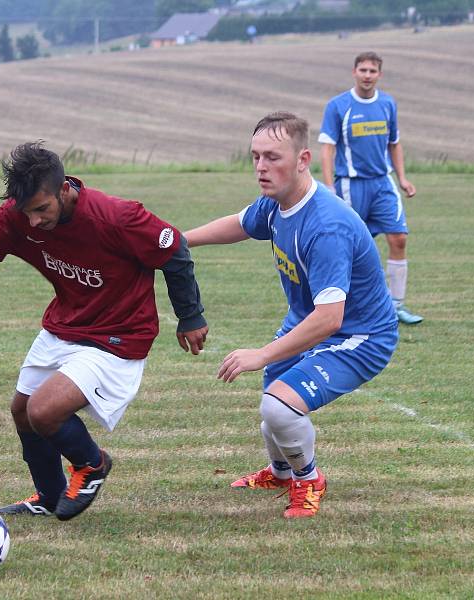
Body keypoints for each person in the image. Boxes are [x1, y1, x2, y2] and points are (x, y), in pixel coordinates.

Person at [0, 142, 209, 521]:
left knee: (43, 411)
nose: (33, 221)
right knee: (23, 412)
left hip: (118, 338)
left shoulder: (117, 216)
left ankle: (92, 465)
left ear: (65, 189)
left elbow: (174, 249)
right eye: (26, 211)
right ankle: (48, 496)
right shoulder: (17, 217)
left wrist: (190, 316)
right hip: (65, 325)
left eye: (41, 209)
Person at [185, 112, 398, 518]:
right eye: (255, 157)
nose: (261, 168)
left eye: (273, 157)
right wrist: (180, 242)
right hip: (309, 321)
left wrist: (263, 353)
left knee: (280, 406)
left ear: (303, 160)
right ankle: (281, 472)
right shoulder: (276, 203)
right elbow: (240, 224)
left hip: (359, 336)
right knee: (275, 402)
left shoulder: (326, 226)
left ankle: (309, 480)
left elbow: (331, 319)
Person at [319, 51, 422, 324]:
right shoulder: (338, 106)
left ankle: (396, 306)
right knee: (348, 247)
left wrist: (402, 178)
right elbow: (327, 148)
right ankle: (344, 306)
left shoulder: (388, 104)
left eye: (372, 71)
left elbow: (394, 143)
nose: (367, 75)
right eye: (362, 70)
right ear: (354, 72)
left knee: (399, 238)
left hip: (382, 184)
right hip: (351, 186)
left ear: (379, 75)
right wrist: (329, 187)